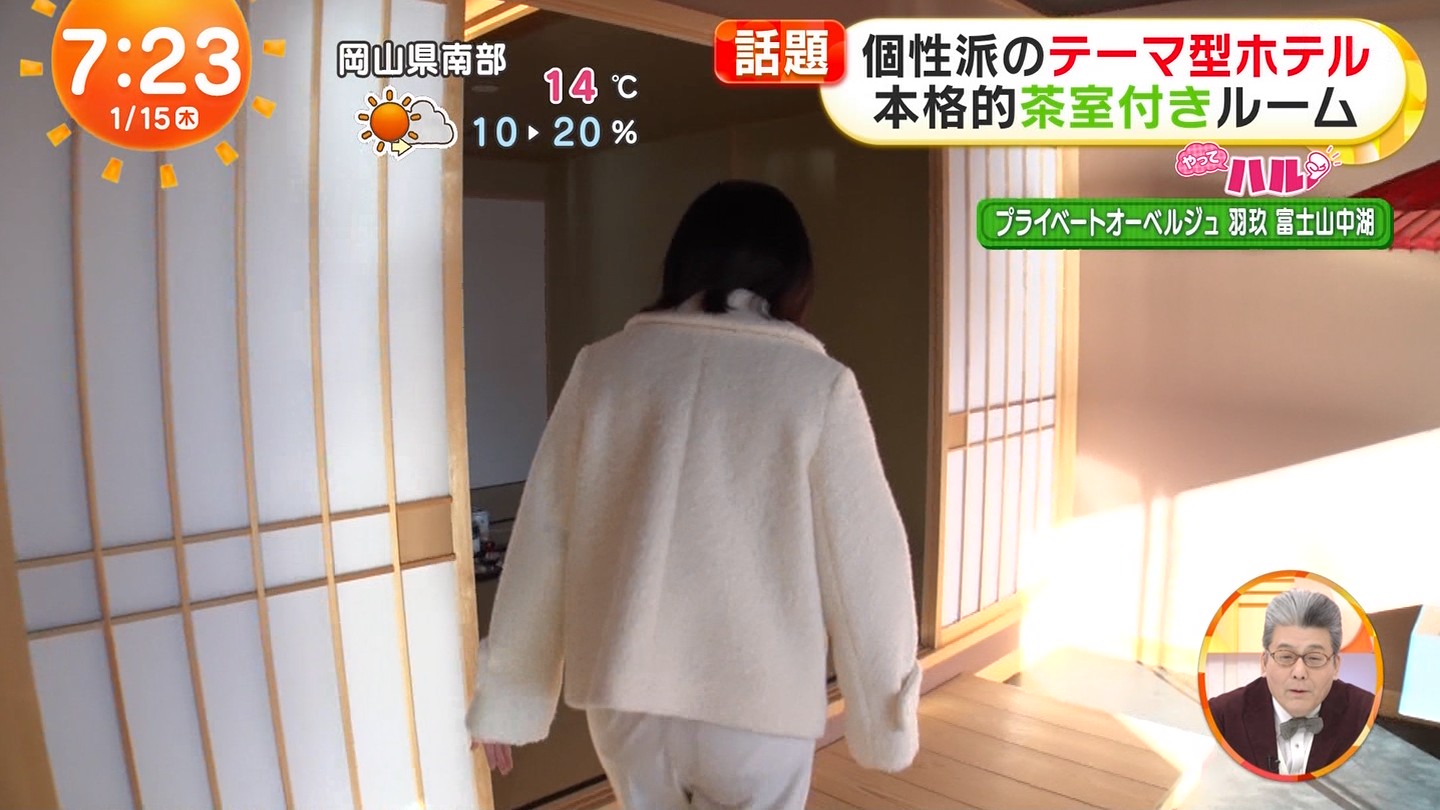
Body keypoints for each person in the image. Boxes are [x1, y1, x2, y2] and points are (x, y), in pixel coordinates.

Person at [465, 180, 922, 808]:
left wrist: (509, 690)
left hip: (625, 696)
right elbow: (868, 565)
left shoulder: (603, 369)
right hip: (757, 705)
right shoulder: (817, 385)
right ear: (794, 277)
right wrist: (883, 716)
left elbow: (546, 536)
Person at [1207, 588, 1376, 776]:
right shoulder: (1220, 717)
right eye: (1286, 656)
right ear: (1264, 662)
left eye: (1314, 658)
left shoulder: (1369, 715)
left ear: (1336, 665)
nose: (1299, 672)